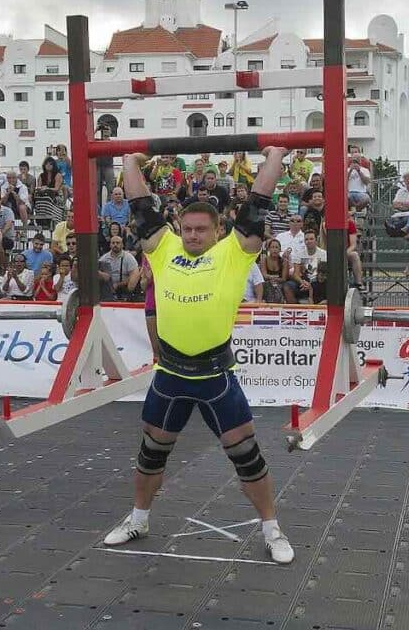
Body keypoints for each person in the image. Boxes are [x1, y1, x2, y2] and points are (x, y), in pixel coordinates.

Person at [104, 148, 294, 564]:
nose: (192, 235)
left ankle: (272, 529)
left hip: (215, 377)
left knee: (247, 457)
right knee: (151, 453)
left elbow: (258, 203)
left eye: (200, 230)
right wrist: (132, 161)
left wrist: (275, 155)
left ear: (216, 229)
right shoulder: (163, 247)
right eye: (187, 228)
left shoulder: (234, 253)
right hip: (169, 375)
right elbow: (139, 204)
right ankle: (139, 518)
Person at [284, 229, 326, 304]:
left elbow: (324, 272)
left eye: (311, 239)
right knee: (288, 286)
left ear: (316, 240)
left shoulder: (323, 254)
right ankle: (296, 310)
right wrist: (302, 282)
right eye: (306, 239)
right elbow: (295, 274)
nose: (309, 241)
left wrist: (311, 285)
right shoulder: (299, 254)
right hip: (303, 282)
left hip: (318, 283)